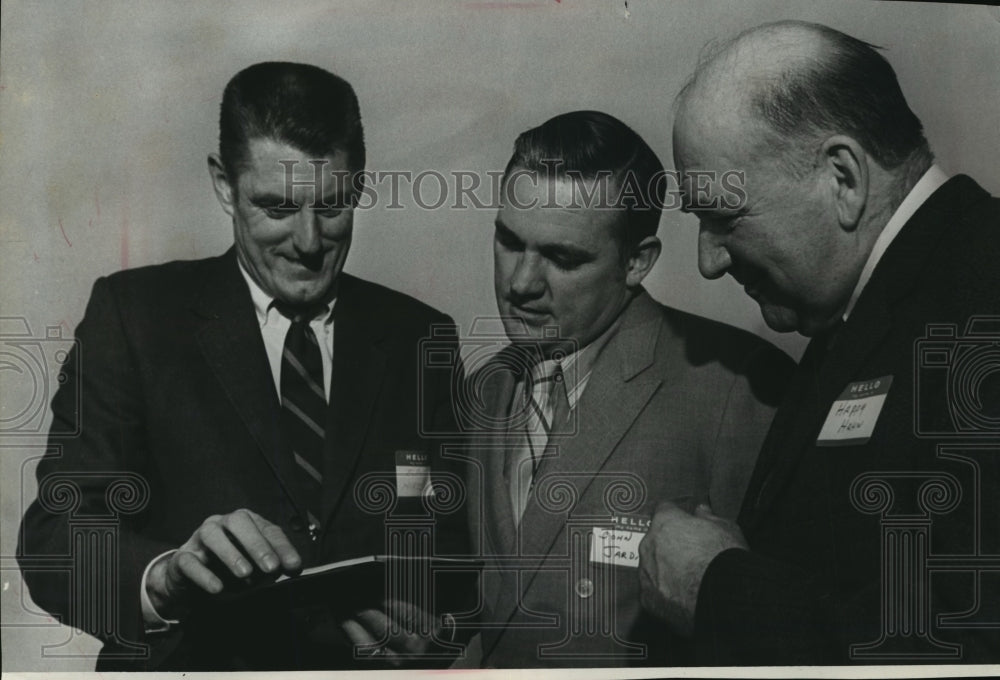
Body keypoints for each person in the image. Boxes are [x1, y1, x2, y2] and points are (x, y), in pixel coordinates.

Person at [17, 62, 466, 671]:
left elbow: (459, 543)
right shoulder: (135, 317)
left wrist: (436, 627)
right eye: (276, 208)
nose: (308, 242)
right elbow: (54, 542)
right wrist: (164, 577)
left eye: (331, 207)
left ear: (358, 186)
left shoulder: (419, 336)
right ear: (224, 185)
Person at [639, 20, 1000, 664]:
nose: (709, 261)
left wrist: (716, 586)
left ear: (843, 178)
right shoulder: (875, 303)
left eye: (724, 218)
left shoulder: (981, 299)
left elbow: (969, 640)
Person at [464, 110, 793, 667]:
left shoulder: (739, 387)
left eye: (562, 258)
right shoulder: (486, 388)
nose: (521, 283)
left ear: (637, 262)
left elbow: (778, 629)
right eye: (508, 241)